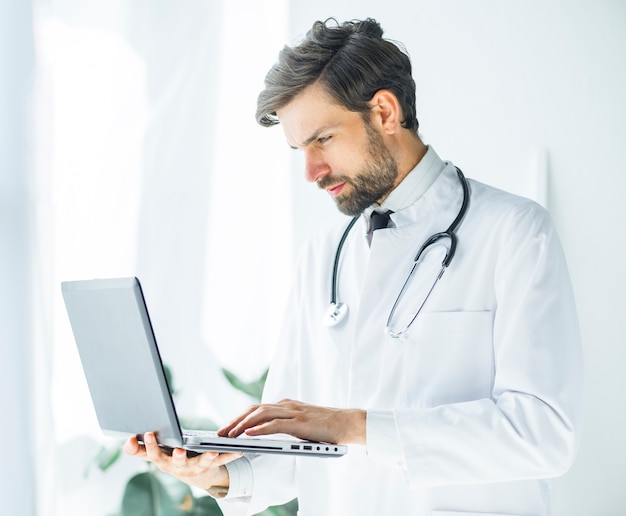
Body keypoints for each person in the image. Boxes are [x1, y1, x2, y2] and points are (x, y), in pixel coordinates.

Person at [124, 18, 583, 515]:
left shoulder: (514, 232)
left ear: (385, 111)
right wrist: (213, 473)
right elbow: (292, 451)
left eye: (323, 139)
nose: (311, 172)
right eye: (301, 150)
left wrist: (356, 425)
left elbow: (544, 436)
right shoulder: (324, 255)